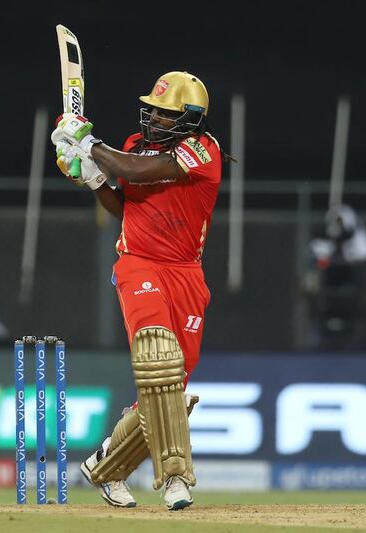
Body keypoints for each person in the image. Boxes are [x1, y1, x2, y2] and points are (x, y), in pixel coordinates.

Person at [51, 71, 232, 510]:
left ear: (190, 118)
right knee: (158, 357)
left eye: (165, 113)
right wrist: (94, 179)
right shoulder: (134, 144)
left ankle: (105, 465)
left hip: (187, 274)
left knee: (170, 386)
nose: (153, 116)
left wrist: (88, 144)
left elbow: (134, 171)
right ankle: (175, 478)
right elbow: (125, 203)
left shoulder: (201, 151)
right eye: (151, 108)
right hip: (138, 264)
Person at [301, 204, 366, 351]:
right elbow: (318, 257)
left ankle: (357, 344)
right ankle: (315, 343)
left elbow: (364, 254)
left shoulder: (358, 242)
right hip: (327, 290)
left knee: (354, 319)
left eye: (341, 222)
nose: (338, 226)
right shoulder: (323, 240)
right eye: (335, 222)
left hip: (350, 290)